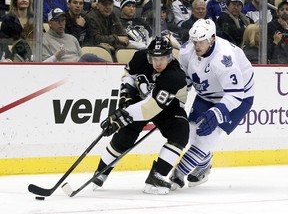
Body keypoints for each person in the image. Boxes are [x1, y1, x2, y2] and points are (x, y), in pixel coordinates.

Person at [91, 36, 189, 195]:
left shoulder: (174, 75)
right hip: (141, 98)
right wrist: (126, 94)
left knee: (181, 132)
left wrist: (123, 115)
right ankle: (101, 172)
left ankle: (157, 176)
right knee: (125, 135)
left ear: (170, 57)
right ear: (149, 55)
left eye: (162, 58)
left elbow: (151, 107)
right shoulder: (140, 57)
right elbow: (128, 73)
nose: (158, 63)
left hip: (167, 105)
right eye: (154, 58)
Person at [169, 18, 254, 190]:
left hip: (238, 98)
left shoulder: (224, 58)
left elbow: (236, 94)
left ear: (212, 38)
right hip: (207, 94)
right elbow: (186, 80)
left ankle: (178, 174)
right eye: (194, 41)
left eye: (201, 41)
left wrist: (217, 113)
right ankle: (204, 165)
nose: (197, 46)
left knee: (207, 137)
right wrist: (173, 99)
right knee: (192, 131)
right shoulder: (187, 51)